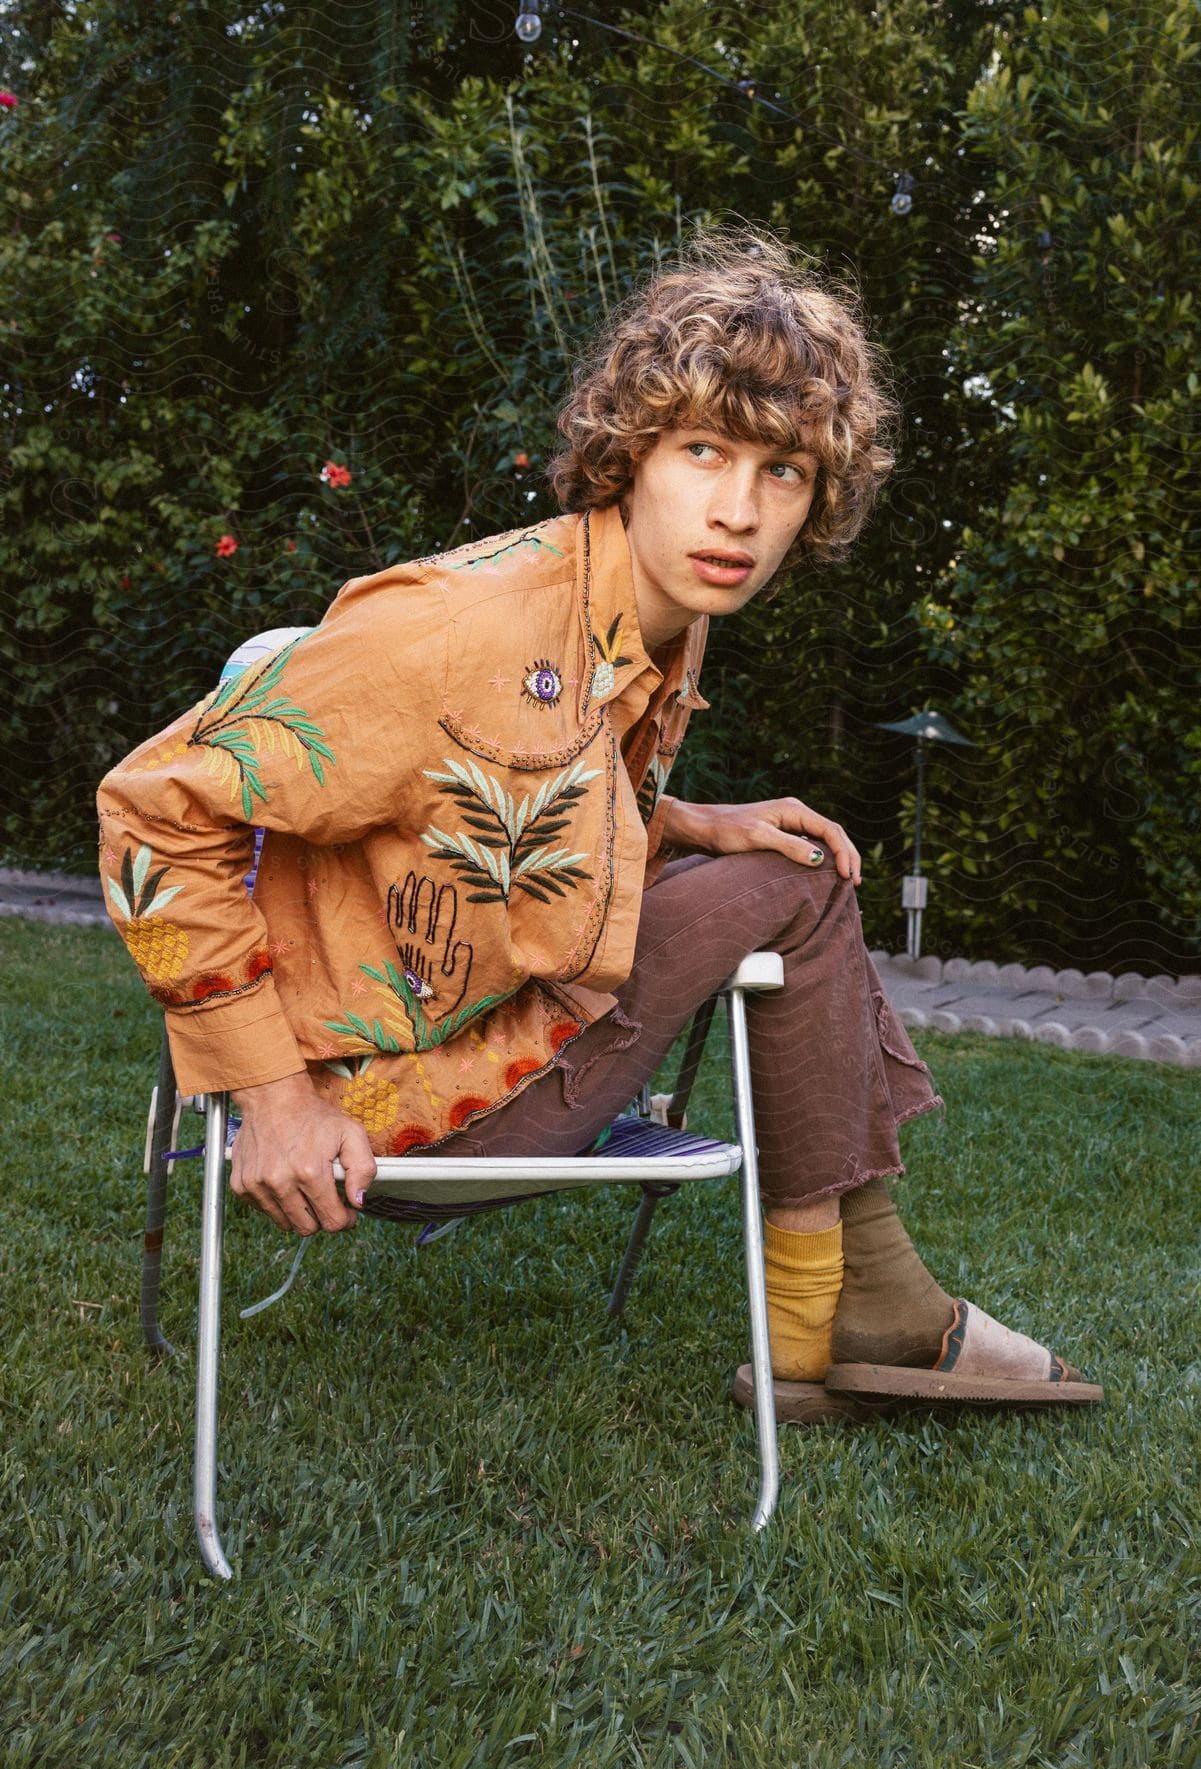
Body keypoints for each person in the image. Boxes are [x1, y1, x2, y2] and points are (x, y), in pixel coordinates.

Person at [98, 227, 1101, 1422]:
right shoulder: (460, 629)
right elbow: (151, 810)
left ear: (817, 499)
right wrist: (271, 1097)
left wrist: (680, 821)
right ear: (632, 454)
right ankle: (858, 1309)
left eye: (782, 471)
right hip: (394, 1118)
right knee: (806, 889)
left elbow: (497, 810)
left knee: (786, 860)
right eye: (702, 451)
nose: (738, 509)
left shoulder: (654, 610)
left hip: (475, 1041)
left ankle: (854, 1311)